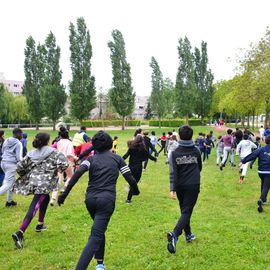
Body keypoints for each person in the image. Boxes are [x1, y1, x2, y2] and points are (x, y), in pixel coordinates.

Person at [57, 131, 140, 270]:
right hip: (106, 201)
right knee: (96, 235)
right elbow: (129, 177)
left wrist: (64, 194)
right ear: (109, 143)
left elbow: (77, 174)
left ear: (94, 145)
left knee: (98, 230)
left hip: (90, 200)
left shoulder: (90, 160)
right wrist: (135, 189)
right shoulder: (117, 159)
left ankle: (100, 263)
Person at [11, 133, 69, 249]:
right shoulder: (54, 152)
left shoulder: (31, 153)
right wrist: (55, 170)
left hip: (34, 181)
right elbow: (65, 164)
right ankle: (20, 232)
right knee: (34, 205)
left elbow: (19, 167)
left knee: (45, 198)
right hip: (45, 183)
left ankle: (40, 225)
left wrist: (27, 175)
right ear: (47, 141)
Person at [167, 125, 202, 254]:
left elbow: (173, 172)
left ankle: (188, 235)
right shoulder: (196, 150)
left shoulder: (174, 153)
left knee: (184, 210)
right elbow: (200, 166)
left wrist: (173, 188)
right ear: (191, 136)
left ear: (179, 136)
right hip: (193, 184)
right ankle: (175, 234)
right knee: (186, 211)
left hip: (180, 185)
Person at [123, 135, 157, 203]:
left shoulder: (131, 147)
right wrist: (154, 159)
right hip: (138, 167)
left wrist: (120, 160)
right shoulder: (142, 149)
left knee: (133, 182)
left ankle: (130, 189)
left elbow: (126, 155)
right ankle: (128, 199)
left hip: (131, 166)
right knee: (135, 182)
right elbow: (148, 155)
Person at [241, 135, 270, 212]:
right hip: (268, 172)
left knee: (263, 184)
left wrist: (243, 161)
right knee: (266, 186)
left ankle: (263, 200)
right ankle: (261, 199)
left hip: (261, 171)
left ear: (265, 141)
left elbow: (252, 155)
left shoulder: (261, 149)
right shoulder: (261, 149)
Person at [50, 130, 76, 206]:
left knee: (58, 180)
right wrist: (75, 157)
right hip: (67, 162)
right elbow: (69, 154)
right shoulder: (70, 142)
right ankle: (64, 188)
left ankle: (53, 199)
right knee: (70, 177)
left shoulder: (58, 142)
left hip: (59, 162)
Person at [0, 128, 23, 207]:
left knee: (11, 183)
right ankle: (9, 201)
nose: (22, 136)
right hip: (11, 165)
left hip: (3, 163)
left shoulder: (6, 140)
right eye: (21, 134)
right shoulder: (18, 143)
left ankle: (9, 202)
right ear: (18, 134)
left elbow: (3, 151)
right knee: (7, 184)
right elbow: (19, 158)